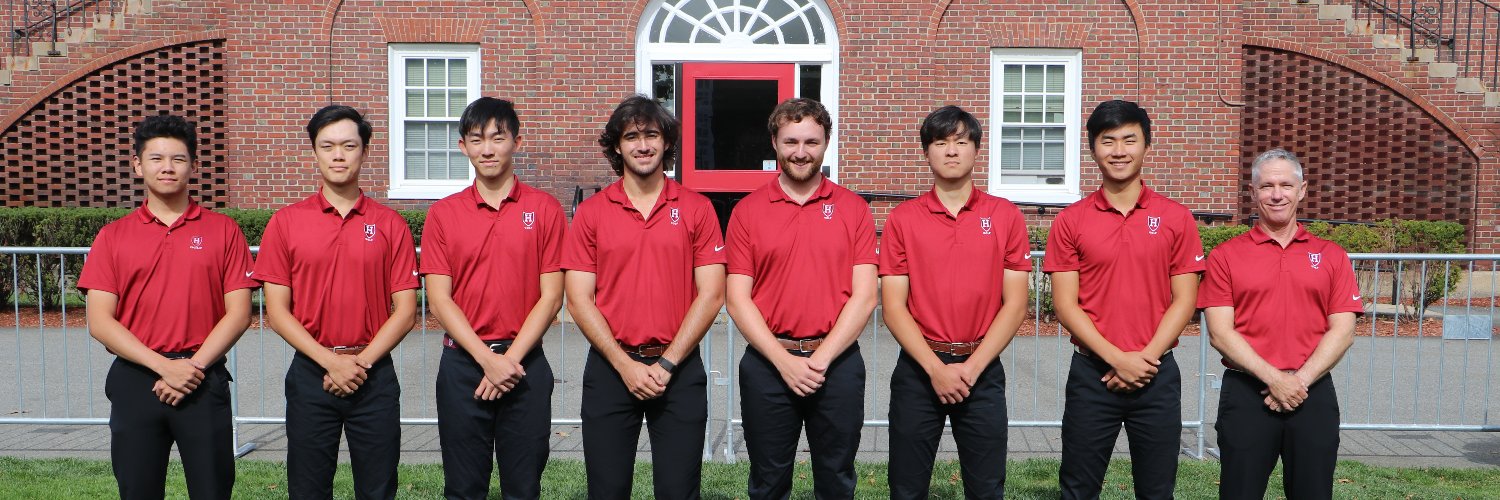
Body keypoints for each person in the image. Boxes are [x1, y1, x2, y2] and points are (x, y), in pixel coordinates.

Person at [79, 114, 256, 500]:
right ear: (138, 164)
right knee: (137, 490)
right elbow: (99, 321)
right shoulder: (113, 236)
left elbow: (239, 313)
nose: (167, 167)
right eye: (156, 158)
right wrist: (163, 367)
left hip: (202, 377)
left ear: (194, 165)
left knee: (213, 491)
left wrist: (190, 368)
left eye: (178, 158)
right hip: (136, 380)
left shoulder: (223, 230)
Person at [562, 95, 725, 499]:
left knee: (678, 490)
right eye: (631, 136)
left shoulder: (697, 208)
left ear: (667, 142)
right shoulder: (592, 212)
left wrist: (667, 363)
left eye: (652, 134)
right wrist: (625, 366)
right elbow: (579, 299)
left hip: (679, 369)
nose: (643, 144)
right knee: (608, 489)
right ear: (617, 146)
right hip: (610, 369)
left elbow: (712, 293)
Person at [253, 105, 420, 500]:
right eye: (327, 146)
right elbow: (277, 311)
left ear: (365, 151)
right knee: (308, 489)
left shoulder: (389, 223)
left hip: (374, 374)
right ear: (314, 152)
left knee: (378, 488)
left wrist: (358, 364)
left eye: (349, 145)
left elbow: (407, 310)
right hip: (312, 373)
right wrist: (331, 362)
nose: (339, 155)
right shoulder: (286, 222)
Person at [1044, 99, 1204, 499]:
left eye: (1129, 140)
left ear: (1147, 145)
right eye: (1107, 140)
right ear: (1093, 148)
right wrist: (1118, 359)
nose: (1119, 151)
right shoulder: (1071, 220)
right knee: (1078, 488)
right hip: (1092, 376)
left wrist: (1143, 360)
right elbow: (1065, 305)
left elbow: (1184, 300)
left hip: (1157, 376)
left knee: (1156, 489)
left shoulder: (1175, 217)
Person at [725, 97, 877, 499]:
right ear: (774, 143)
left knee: (837, 478)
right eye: (791, 141)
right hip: (768, 364)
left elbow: (865, 296)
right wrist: (785, 362)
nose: (800, 152)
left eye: (811, 141)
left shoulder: (854, 209)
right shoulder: (748, 212)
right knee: (768, 481)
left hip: (838, 363)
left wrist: (819, 359)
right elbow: (738, 299)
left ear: (826, 143)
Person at [880, 105, 1030, 499]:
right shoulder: (903, 219)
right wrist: (935, 369)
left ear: (976, 150)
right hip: (919, 369)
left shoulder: (1005, 216)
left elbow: (1015, 304)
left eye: (961, 142)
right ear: (926, 151)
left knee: (986, 487)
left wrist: (971, 368)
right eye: (941, 142)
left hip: (981, 369)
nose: (951, 151)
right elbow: (893, 307)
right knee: (907, 486)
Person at [1200, 148, 1361, 500]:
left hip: (1313, 391)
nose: (1277, 194)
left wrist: (1297, 382)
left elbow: (1344, 330)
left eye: (1286, 185)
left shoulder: (1332, 255)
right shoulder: (1226, 256)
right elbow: (1219, 333)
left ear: (1302, 190)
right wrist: (1275, 380)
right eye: (1267, 185)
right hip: (1246, 394)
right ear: (1253, 192)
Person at [423, 97, 564, 500]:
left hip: (526, 366)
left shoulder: (545, 209)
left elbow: (551, 296)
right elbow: (439, 299)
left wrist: (509, 361)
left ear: (516, 142)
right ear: (462, 146)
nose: (488, 149)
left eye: (497, 138)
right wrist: (488, 362)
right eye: (476, 139)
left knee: (523, 487)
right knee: (464, 488)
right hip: (463, 366)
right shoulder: (443, 214)